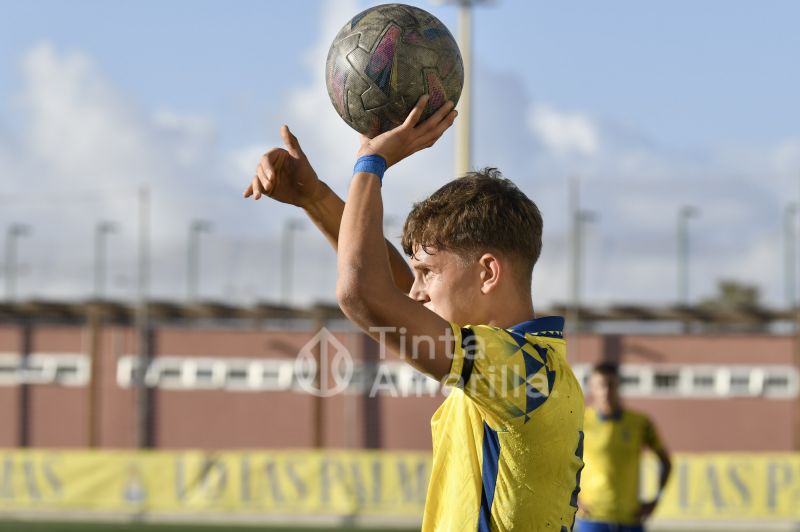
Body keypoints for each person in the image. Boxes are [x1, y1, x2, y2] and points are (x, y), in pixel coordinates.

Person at [243, 96, 584, 531]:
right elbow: (388, 287)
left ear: (487, 273)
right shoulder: (529, 365)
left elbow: (364, 293)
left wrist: (371, 163)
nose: (416, 292)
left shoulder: (520, 370)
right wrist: (314, 197)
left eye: (428, 272)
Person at [577, 363, 672, 532]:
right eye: (600, 385)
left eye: (611, 385)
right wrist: (573, 498)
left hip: (630, 518)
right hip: (592, 518)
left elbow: (666, 462)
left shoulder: (640, 423)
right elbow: (562, 461)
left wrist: (656, 500)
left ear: (619, 386)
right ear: (592, 387)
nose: (606, 391)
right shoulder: (580, 421)